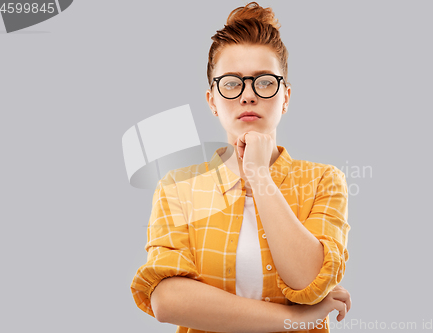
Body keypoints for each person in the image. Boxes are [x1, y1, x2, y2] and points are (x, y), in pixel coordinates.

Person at [130, 2, 352, 332]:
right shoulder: (178, 187)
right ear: (212, 101)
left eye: (264, 82)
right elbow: (168, 300)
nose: (248, 96)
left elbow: (308, 279)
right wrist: (297, 319)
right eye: (232, 83)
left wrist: (260, 175)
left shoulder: (323, 180)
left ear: (285, 97)